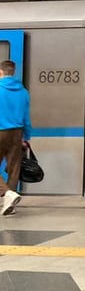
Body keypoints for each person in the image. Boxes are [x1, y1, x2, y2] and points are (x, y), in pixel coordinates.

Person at [0, 60, 31, 216]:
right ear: (13, 72)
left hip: (0, 130)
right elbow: (26, 118)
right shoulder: (23, 92)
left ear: (1, 72)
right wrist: (26, 136)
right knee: (14, 169)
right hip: (17, 133)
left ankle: (7, 194)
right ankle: (9, 203)